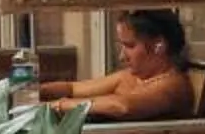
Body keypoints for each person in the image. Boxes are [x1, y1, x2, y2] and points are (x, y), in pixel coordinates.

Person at [38, 8, 196, 121]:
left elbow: (122, 106)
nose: (122, 57)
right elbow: (72, 89)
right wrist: (34, 93)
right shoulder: (129, 77)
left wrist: (57, 106)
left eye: (130, 46)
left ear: (158, 46)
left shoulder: (173, 85)